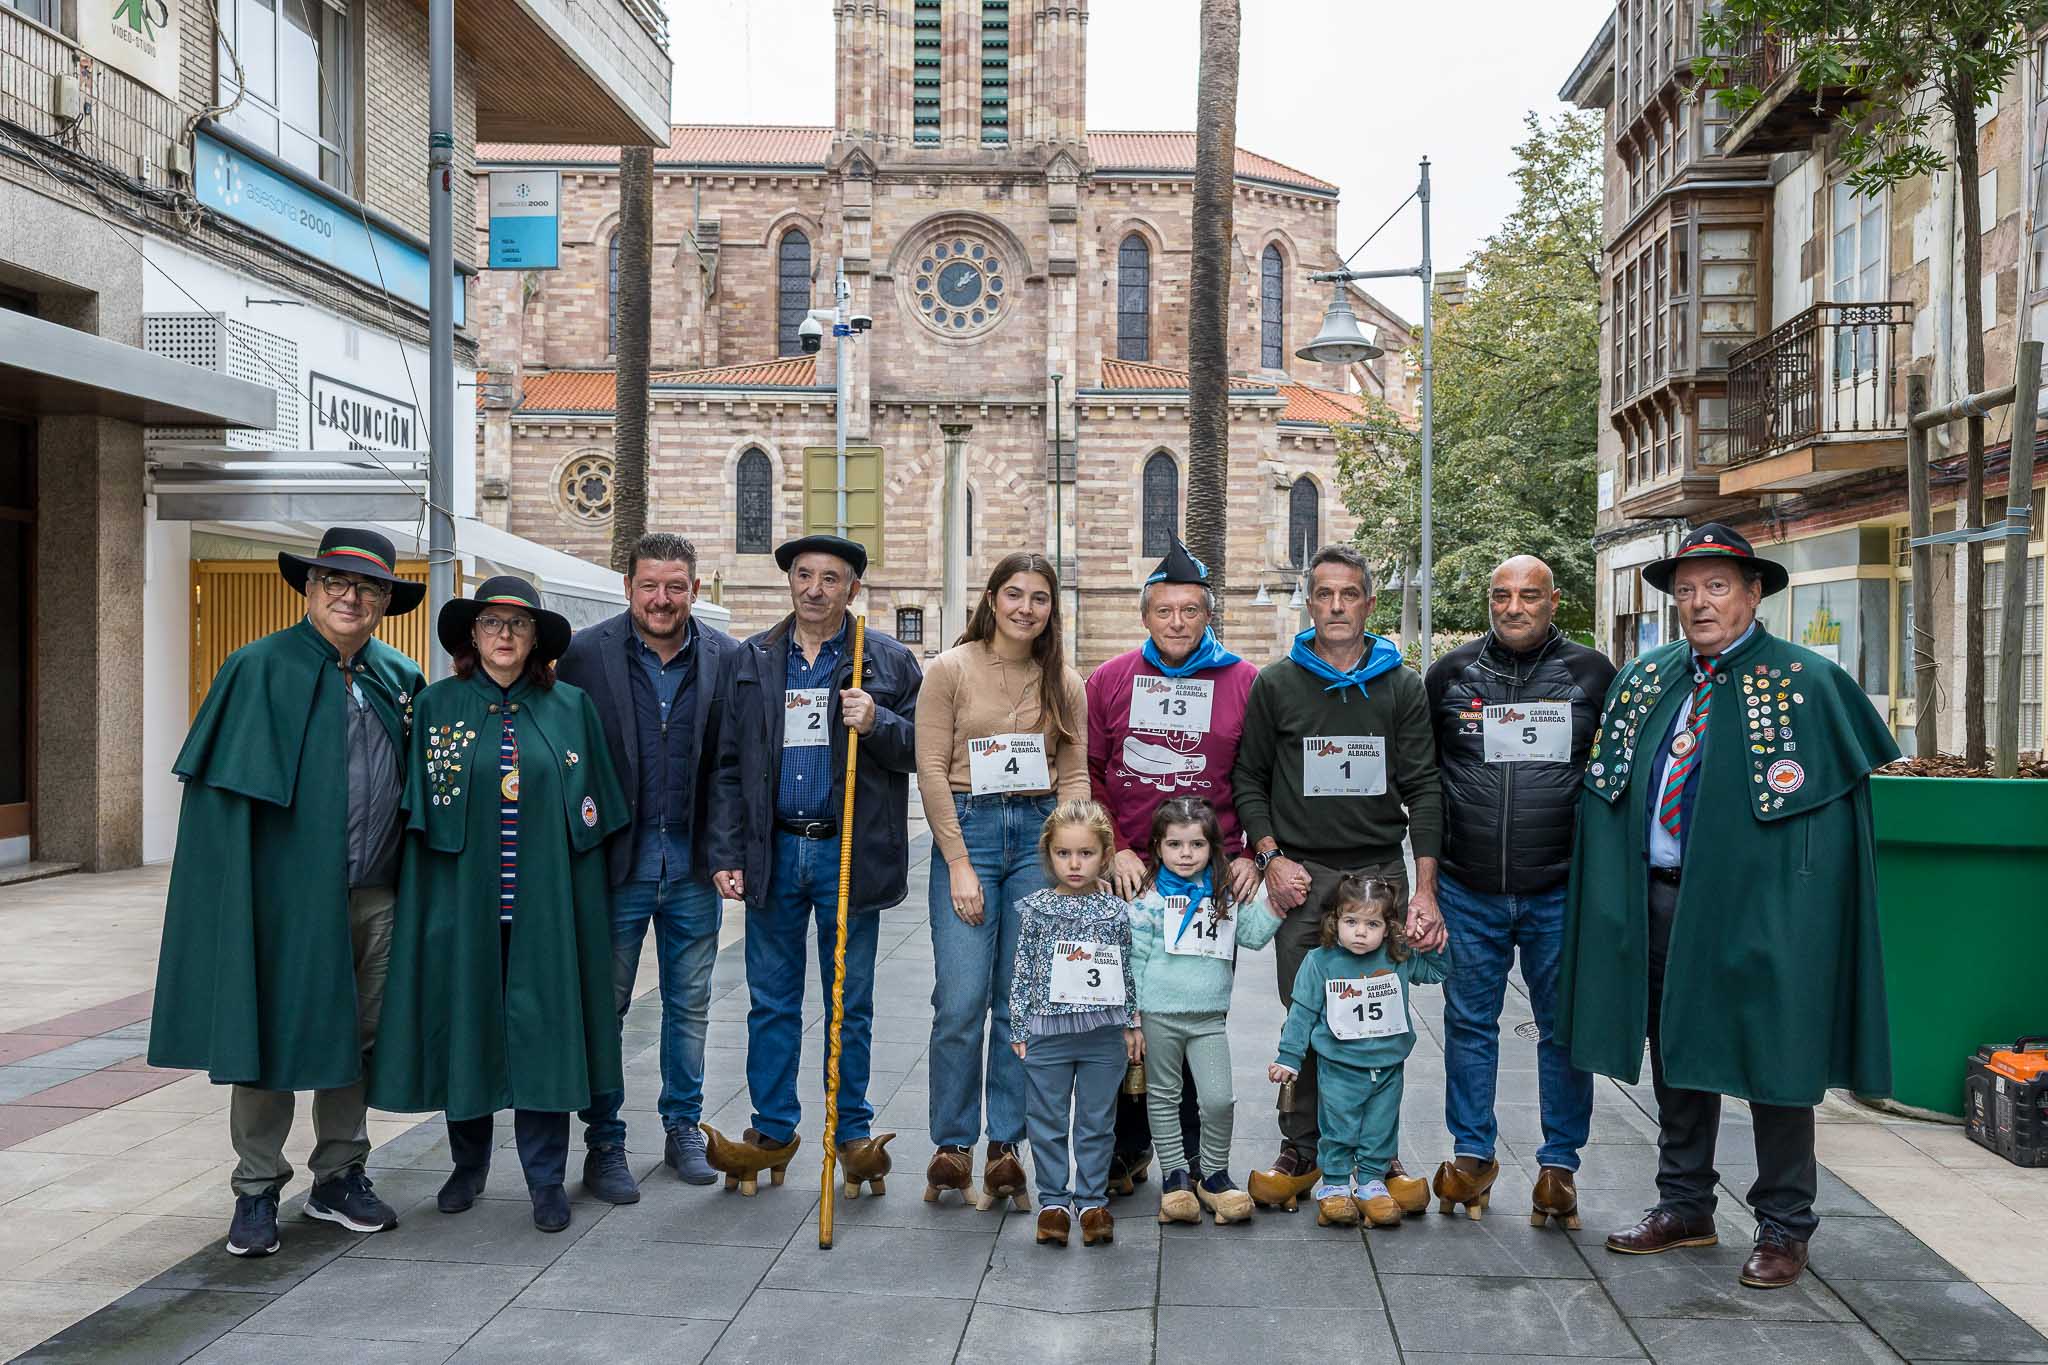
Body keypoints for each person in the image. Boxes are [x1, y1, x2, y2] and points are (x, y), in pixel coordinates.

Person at [1558, 523, 1897, 1290]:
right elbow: (1613, 796)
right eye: (1685, 589)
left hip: (1761, 906)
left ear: (1752, 593)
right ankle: (1685, 1203)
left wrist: (1803, 916)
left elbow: (1833, 830)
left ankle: (1784, 1221)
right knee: (1674, 1052)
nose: (1698, 602)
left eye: (1715, 586)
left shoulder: (1808, 682)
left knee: (1777, 1055)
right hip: (1660, 899)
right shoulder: (1648, 679)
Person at [150, 527, 425, 1258]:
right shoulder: (256, 669)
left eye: (367, 588)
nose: (350, 596)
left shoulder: (398, 676)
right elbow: (220, 808)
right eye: (335, 581)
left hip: (377, 894)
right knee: (267, 1035)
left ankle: (340, 1173)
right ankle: (256, 1187)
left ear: (385, 603)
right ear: (308, 588)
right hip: (283, 900)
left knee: (357, 1040)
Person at [368, 577, 629, 1233]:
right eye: (491, 622)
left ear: (536, 637)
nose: (504, 635)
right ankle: (468, 1167)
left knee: (546, 1037)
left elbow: (596, 817)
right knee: (469, 1029)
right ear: (473, 635)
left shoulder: (571, 706)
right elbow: (416, 818)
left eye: (518, 623)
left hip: (545, 907)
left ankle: (546, 1179)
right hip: (465, 903)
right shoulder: (437, 706)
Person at [1231, 542, 1447, 1213]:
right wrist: (1271, 858)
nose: (1334, 606)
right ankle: (1300, 1146)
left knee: (1373, 1017)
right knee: (1308, 1014)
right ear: (1309, 602)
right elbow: (1248, 780)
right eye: (1322, 594)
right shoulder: (1277, 684)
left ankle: (1374, 1150)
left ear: (1368, 603)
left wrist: (1426, 889)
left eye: (1348, 594)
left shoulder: (1402, 686)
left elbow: (1425, 788)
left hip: (1378, 875)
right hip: (1302, 876)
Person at [706, 534, 920, 1194]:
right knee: (770, 1000)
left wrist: (878, 719)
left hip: (846, 849)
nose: (816, 588)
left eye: (832, 578)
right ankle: (772, 1128)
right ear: (790, 582)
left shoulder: (883, 659)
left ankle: (851, 1128)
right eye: (804, 575)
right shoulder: (754, 659)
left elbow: (920, 749)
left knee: (847, 1000)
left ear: (852, 588)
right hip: (774, 848)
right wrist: (727, 851)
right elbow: (727, 765)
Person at [1423, 555, 1615, 1226]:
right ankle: (1473, 1154)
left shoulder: (1593, 674)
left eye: (1528, 595)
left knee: (1564, 1029)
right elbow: (1423, 776)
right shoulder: (1449, 674)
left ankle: (1559, 1166)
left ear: (1553, 600)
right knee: (1468, 1023)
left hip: (1559, 888)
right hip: (1467, 885)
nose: (1513, 607)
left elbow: (1616, 777)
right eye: (1501, 595)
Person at [556, 533, 739, 1197]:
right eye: (649, 586)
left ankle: (682, 1127)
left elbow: (731, 764)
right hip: (616, 863)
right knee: (604, 1008)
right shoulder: (583, 655)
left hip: (692, 866)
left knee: (688, 1005)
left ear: (695, 587)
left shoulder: (725, 656)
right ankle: (603, 1140)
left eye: (676, 586)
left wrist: (727, 850)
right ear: (627, 586)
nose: (662, 599)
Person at [1085, 535, 1260, 1193]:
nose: (1178, 621)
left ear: (1208, 614)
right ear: (1146, 616)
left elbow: (1253, 773)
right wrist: (1116, 848)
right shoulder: (1108, 680)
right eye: (1165, 610)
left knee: (1192, 1017)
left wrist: (1245, 854)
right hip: (1131, 875)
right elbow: (1092, 770)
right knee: (1126, 1018)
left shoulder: (1243, 680)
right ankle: (1127, 1148)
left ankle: (1193, 1160)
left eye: (1190, 609)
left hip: (1206, 880)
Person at [917, 551, 1090, 1210]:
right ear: (991, 599)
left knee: (1020, 1001)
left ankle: (1006, 1145)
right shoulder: (949, 670)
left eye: (1039, 597)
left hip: (1038, 838)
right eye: (1014, 593)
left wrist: (1077, 853)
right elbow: (931, 767)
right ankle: (953, 1141)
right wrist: (958, 859)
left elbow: (1073, 772)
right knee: (959, 999)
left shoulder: (1063, 680)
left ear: (1051, 608)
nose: (1026, 607)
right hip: (971, 828)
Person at [1125, 796, 1281, 1226]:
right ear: (1157, 847)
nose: (1186, 855)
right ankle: (1175, 1177)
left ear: (1214, 848)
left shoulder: (1224, 893)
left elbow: (1250, 936)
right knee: (1164, 1096)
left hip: (1209, 1016)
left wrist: (1277, 904)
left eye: (1196, 845)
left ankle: (1213, 1174)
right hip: (1159, 1012)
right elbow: (1134, 958)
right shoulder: (1147, 897)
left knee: (1217, 1099)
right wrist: (1132, 1019)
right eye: (1175, 845)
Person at [1267, 875, 1448, 1229]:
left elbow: (1435, 972)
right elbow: (1301, 1012)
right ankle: (1333, 1186)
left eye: (1372, 924)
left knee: (1381, 1128)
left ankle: (1370, 1184)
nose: (1361, 933)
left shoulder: (1397, 955)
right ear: (1335, 921)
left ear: (1388, 927)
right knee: (1338, 1127)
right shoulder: (1320, 962)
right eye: (1351, 922)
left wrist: (1437, 943)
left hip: (1388, 1065)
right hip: (1339, 1066)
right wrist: (1288, 1057)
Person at [1007, 800, 1141, 1247]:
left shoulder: (1118, 912)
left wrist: (1132, 1023)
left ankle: (1091, 1201)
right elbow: (1023, 969)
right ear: (1049, 855)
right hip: (1047, 1034)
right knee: (1045, 1118)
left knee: (1097, 1120)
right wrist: (1019, 1028)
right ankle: (1052, 1202)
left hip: (1103, 1035)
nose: (1075, 863)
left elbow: (1128, 968)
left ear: (1105, 855)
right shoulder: (1037, 910)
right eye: (1064, 854)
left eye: (1085, 853)